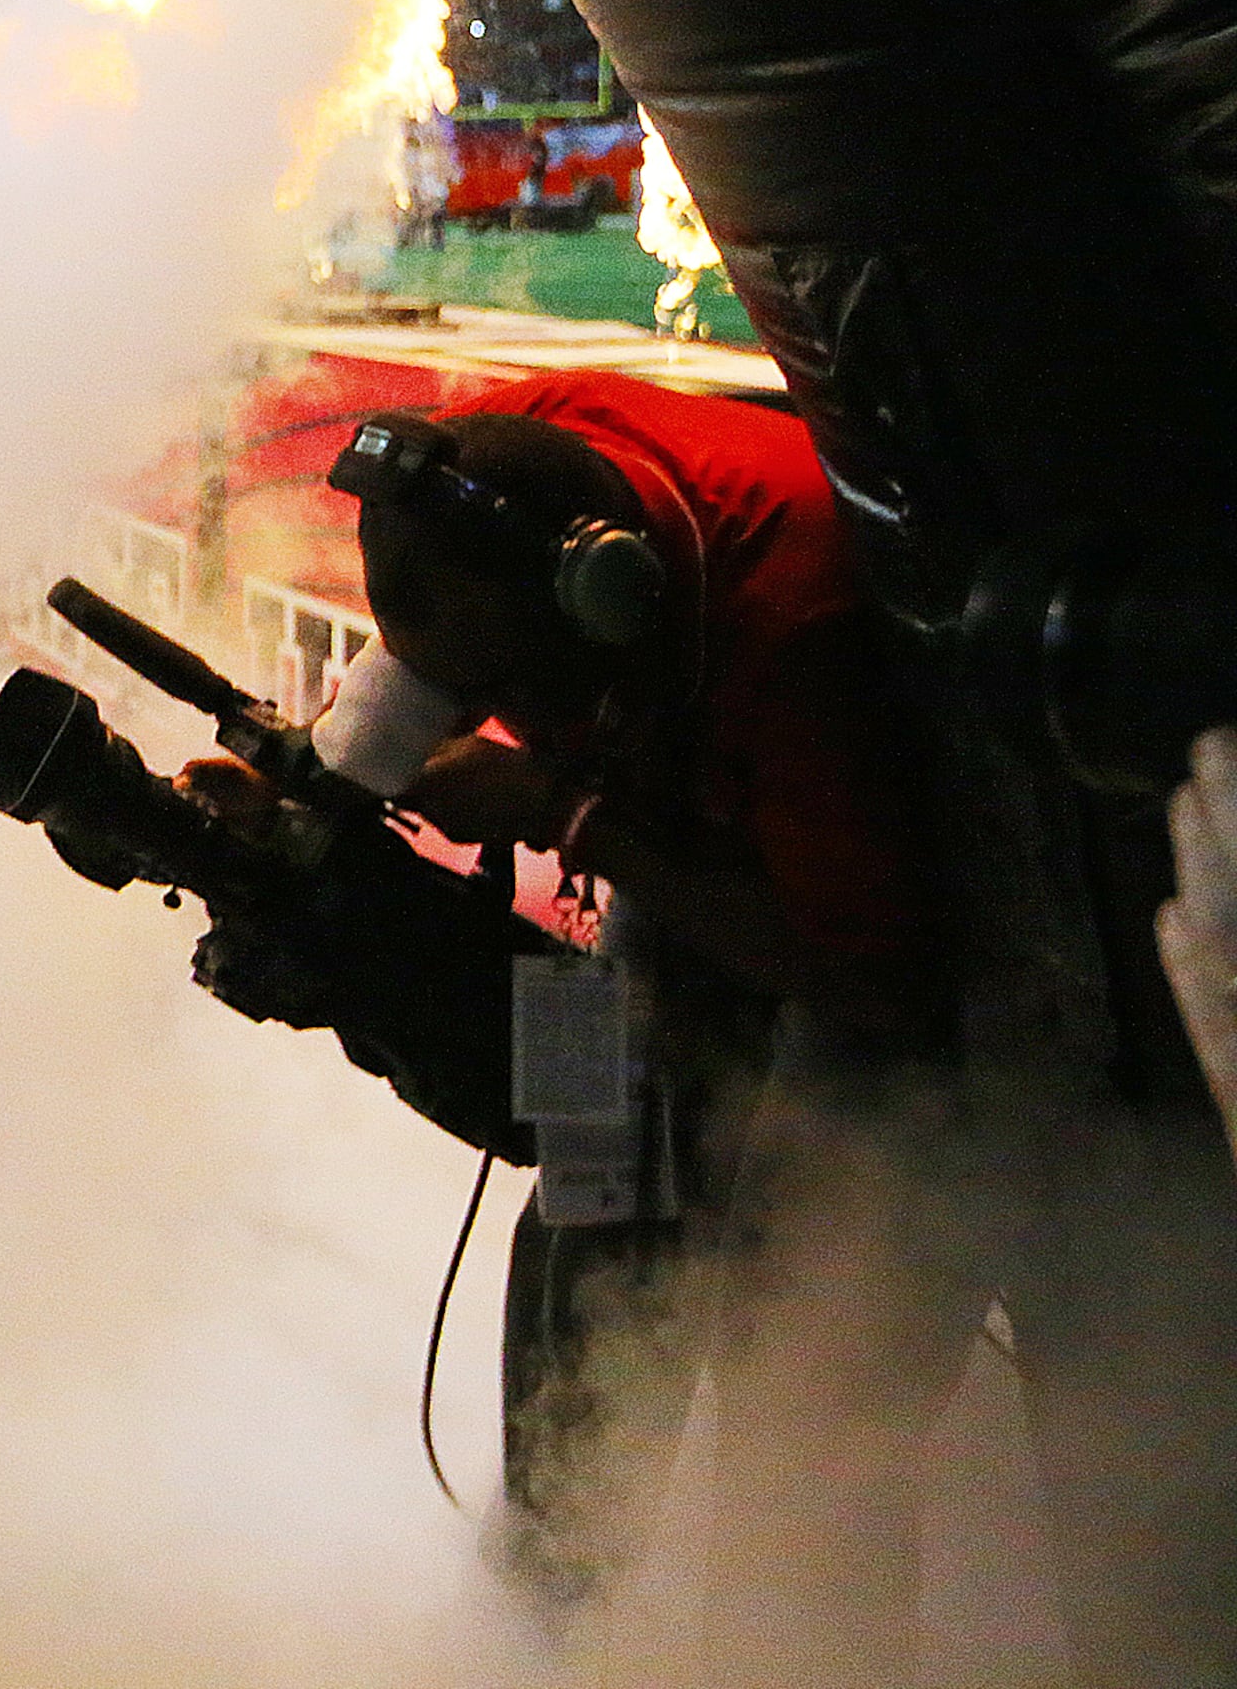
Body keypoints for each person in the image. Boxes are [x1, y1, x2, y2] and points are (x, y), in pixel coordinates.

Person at [193, 375, 1237, 1684]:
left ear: (606, 596)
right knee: (585, 1174)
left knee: (806, 1355)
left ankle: (797, 1645)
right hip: (665, 815)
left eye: (505, 686)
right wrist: (312, 798)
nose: (486, 707)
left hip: (888, 921)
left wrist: (569, 814)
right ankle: (556, 1587)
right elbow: (431, 652)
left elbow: (871, 979)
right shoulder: (488, 468)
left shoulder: (797, 620)